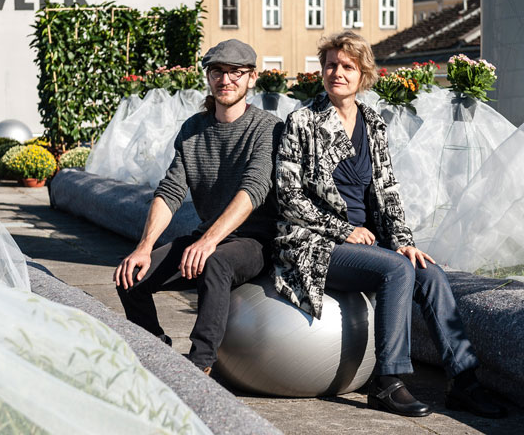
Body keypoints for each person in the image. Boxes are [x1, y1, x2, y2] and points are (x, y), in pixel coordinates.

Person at [273, 30, 506, 418]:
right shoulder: (302, 121)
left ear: (363, 75)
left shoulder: (373, 123)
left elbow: (387, 190)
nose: (337, 73)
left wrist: (402, 240)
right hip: (314, 243)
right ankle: (387, 381)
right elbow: (288, 196)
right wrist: (342, 230)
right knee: (396, 270)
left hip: (368, 243)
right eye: (330, 65)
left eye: (347, 66)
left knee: (426, 271)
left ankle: (465, 382)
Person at [114, 39, 282, 374]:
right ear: (208, 77)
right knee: (129, 277)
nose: (226, 79)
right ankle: (155, 348)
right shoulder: (193, 129)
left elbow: (254, 188)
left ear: (252, 78)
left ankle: (201, 364)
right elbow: (171, 190)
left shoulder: (268, 127)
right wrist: (144, 247)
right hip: (209, 236)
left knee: (215, 263)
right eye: (218, 71)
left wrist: (208, 242)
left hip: (256, 240)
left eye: (236, 72)